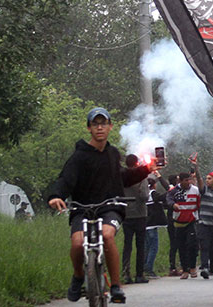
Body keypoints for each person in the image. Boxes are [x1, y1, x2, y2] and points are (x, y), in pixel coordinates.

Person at [47, 107, 153, 304]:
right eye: (95, 124)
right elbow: (66, 179)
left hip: (109, 207)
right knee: (78, 243)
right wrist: (55, 196)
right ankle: (78, 276)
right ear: (88, 128)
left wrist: (145, 170)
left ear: (110, 127)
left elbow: (123, 177)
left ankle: (115, 286)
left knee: (107, 235)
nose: (99, 128)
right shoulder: (79, 156)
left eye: (103, 123)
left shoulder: (112, 154)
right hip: (82, 208)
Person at [194, 163, 213, 280]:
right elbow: (199, 179)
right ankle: (205, 268)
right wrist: (196, 168)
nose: (207, 180)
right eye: (206, 178)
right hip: (204, 224)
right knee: (205, 246)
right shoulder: (204, 191)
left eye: (210, 178)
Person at [121, 154, 149, 285]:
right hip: (140, 214)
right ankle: (139, 274)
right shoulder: (140, 177)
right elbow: (144, 196)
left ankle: (125, 274)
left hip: (126, 214)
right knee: (140, 245)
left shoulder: (121, 176)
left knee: (127, 245)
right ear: (137, 164)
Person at [166, 172, 200, 279]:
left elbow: (199, 203)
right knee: (181, 246)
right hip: (179, 222)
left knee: (192, 245)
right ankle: (185, 269)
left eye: (189, 180)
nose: (188, 182)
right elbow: (169, 199)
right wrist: (173, 205)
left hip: (192, 221)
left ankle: (193, 267)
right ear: (180, 181)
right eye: (186, 180)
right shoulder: (174, 191)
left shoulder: (195, 190)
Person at [144, 171, 169, 278]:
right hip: (152, 225)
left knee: (147, 247)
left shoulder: (144, 194)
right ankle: (149, 269)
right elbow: (164, 196)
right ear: (153, 185)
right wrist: (171, 190)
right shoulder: (152, 194)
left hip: (145, 225)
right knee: (153, 248)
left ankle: (143, 268)